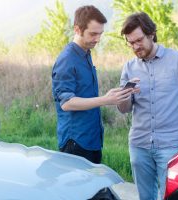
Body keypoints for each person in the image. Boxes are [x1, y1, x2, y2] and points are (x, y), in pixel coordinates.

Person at [117, 12, 178, 200]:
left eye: (139, 40)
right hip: (139, 145)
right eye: (130, 43)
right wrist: (126, 93)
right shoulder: (129, 67)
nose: (135, 46)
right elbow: (123, 109)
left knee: (171, 197)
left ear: (151, 34)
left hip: (172, 145)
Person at [52, 5, 132, 164]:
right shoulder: (67, 59)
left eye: (100, 34)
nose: (97, 39)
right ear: (77, 29)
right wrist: (105, 100)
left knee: (94, 188)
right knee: (79, 189)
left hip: (91, 140)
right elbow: (66, 103)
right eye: (93, 34)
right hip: (76, 143)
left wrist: (119, 94)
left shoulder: (85, 54)